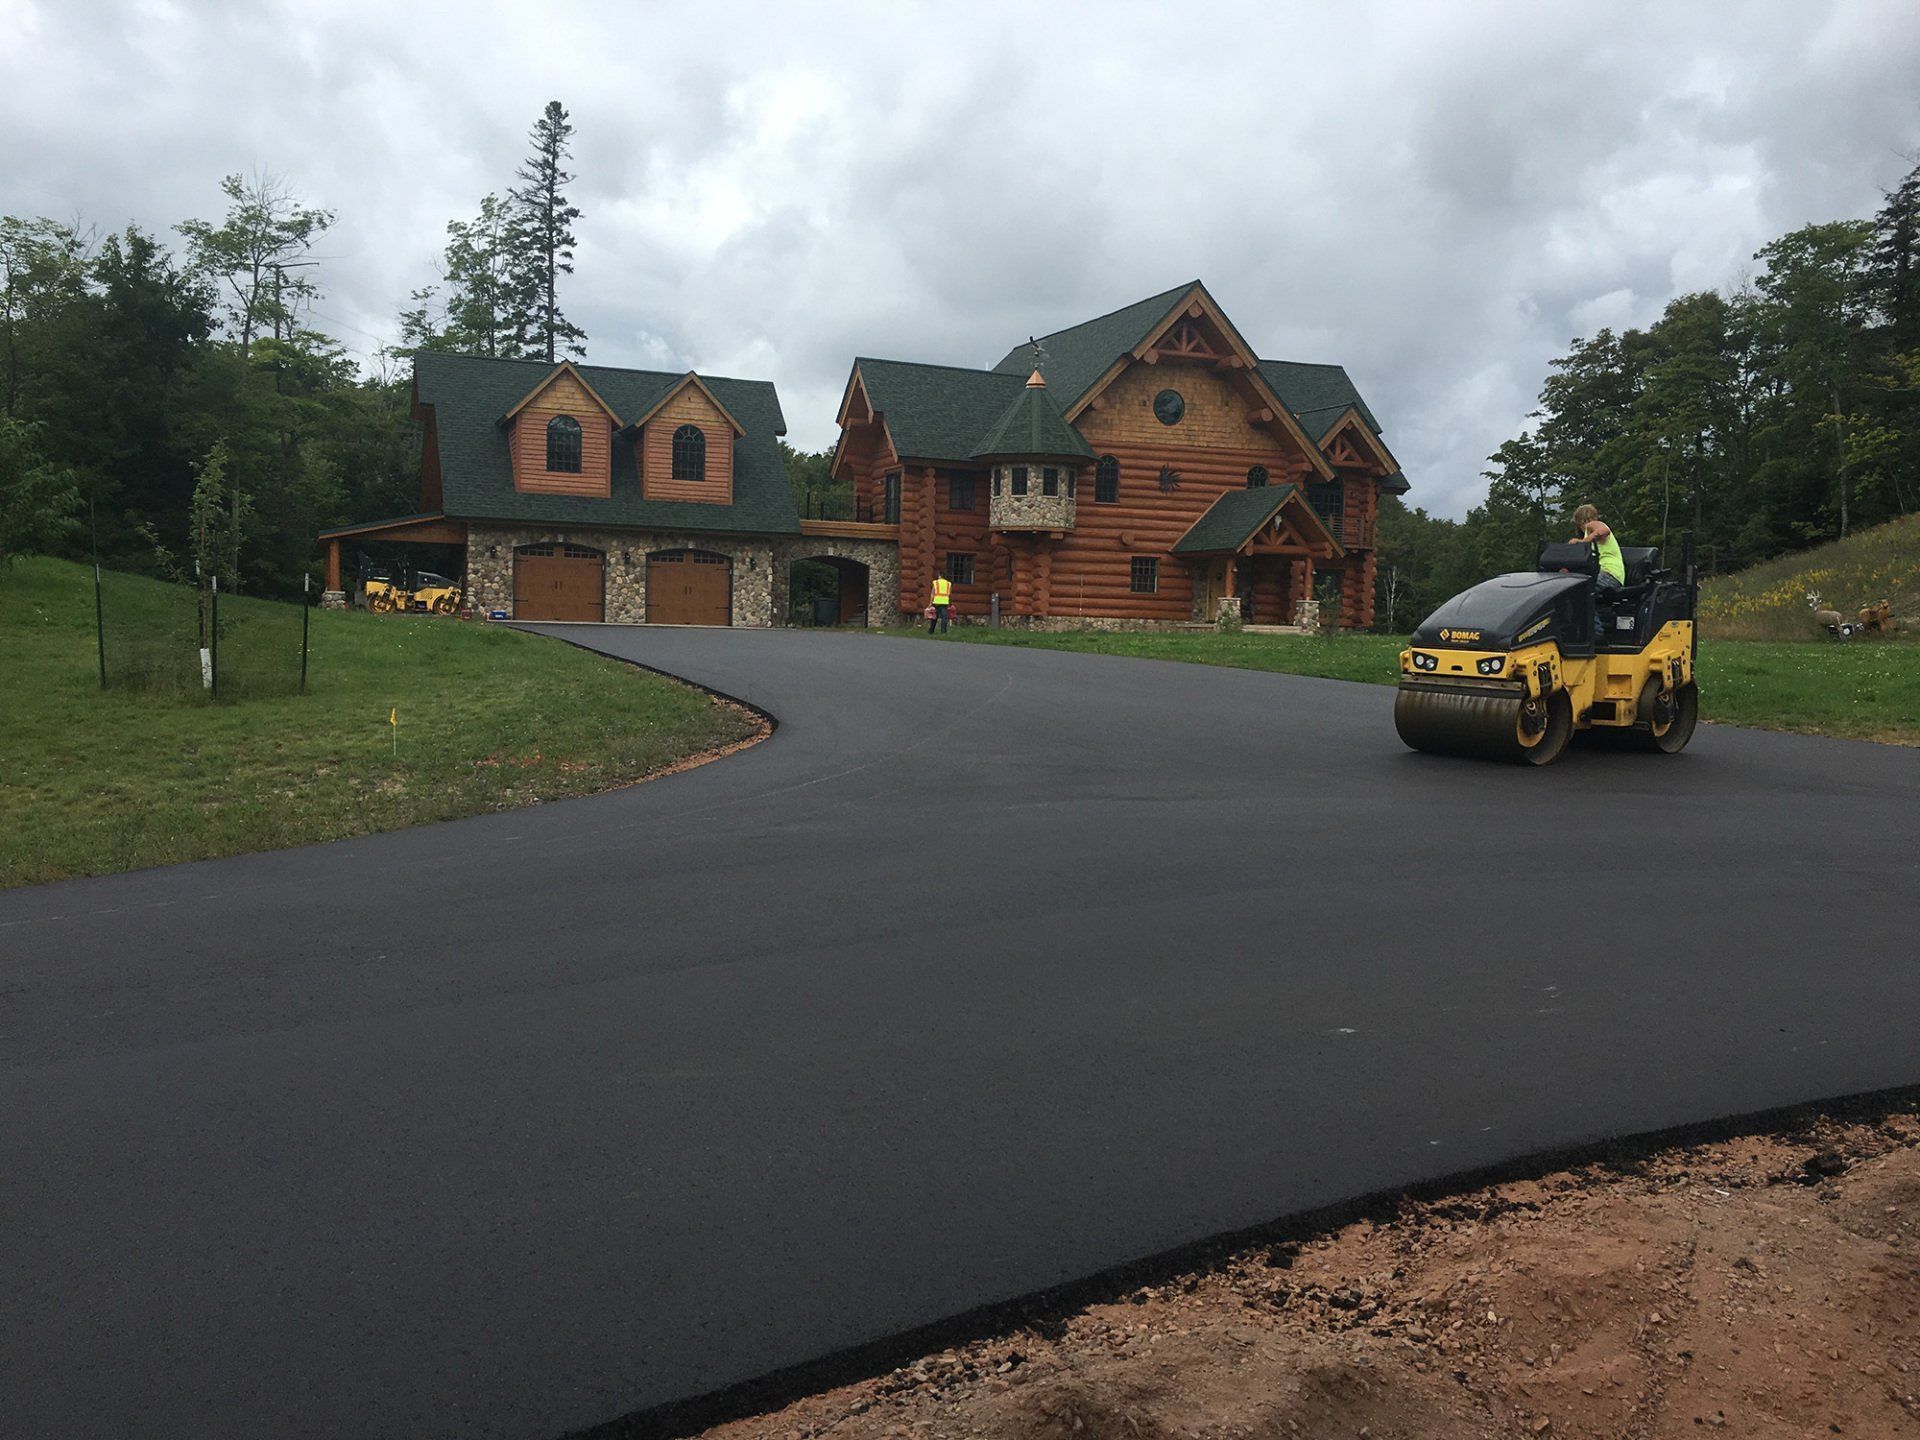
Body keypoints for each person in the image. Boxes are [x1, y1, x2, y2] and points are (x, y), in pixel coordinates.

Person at [1571, 503, 1625, 640]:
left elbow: (1604, 530)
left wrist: (1583, 542)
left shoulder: (1592, 526)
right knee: (1570, 588)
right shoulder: (1586, 536)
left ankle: (1595, 633)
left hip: (1609, 574)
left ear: (1581, 521)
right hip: (1598, 573)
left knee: (1581, 589)